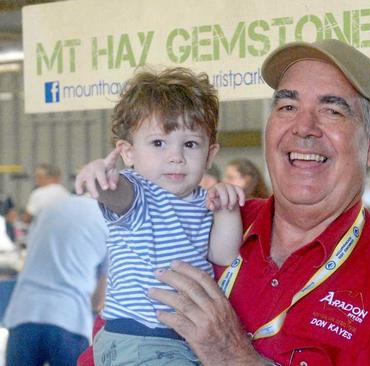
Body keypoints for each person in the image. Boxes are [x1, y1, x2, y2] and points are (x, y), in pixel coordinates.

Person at [80, 39, 370, 365]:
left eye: (332, 110)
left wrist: (235, 357)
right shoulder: (208, 220)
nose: (304, 128)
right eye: (287, 107)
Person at [74, 67, 245, 366]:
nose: (175, 156)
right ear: (128, 153)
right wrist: (102, 179)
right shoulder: (140, 193)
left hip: (181, 340)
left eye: (190, 144)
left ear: (210, 154)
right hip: (141, 337)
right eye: (158, 143)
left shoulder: (203, 201)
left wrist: (227, 210)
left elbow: (224, 254)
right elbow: (118, 194)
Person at [3, 195, 108, 366]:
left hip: (23, 314)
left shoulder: (51, 207)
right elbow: (99, 301)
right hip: (69, 319)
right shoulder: (109, 222)